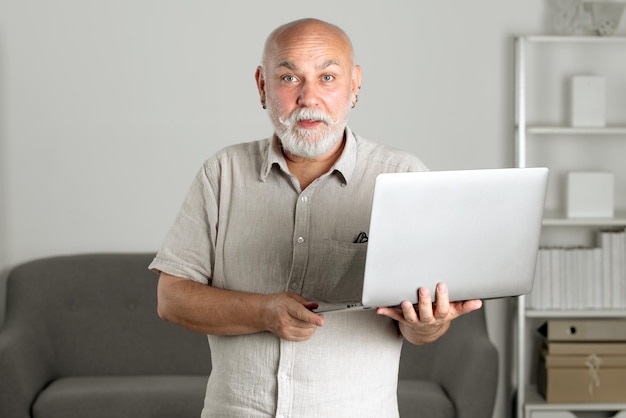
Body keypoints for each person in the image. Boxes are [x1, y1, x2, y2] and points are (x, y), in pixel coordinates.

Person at [150, 17, 482, 417]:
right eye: (289, 78)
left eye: (327, 77)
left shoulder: (402, 176)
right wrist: (262, 312)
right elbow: (171, 299)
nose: (309, 97)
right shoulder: (222, 173)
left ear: (354, 84)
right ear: (262, 85)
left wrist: (428, 323)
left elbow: (419, 326)